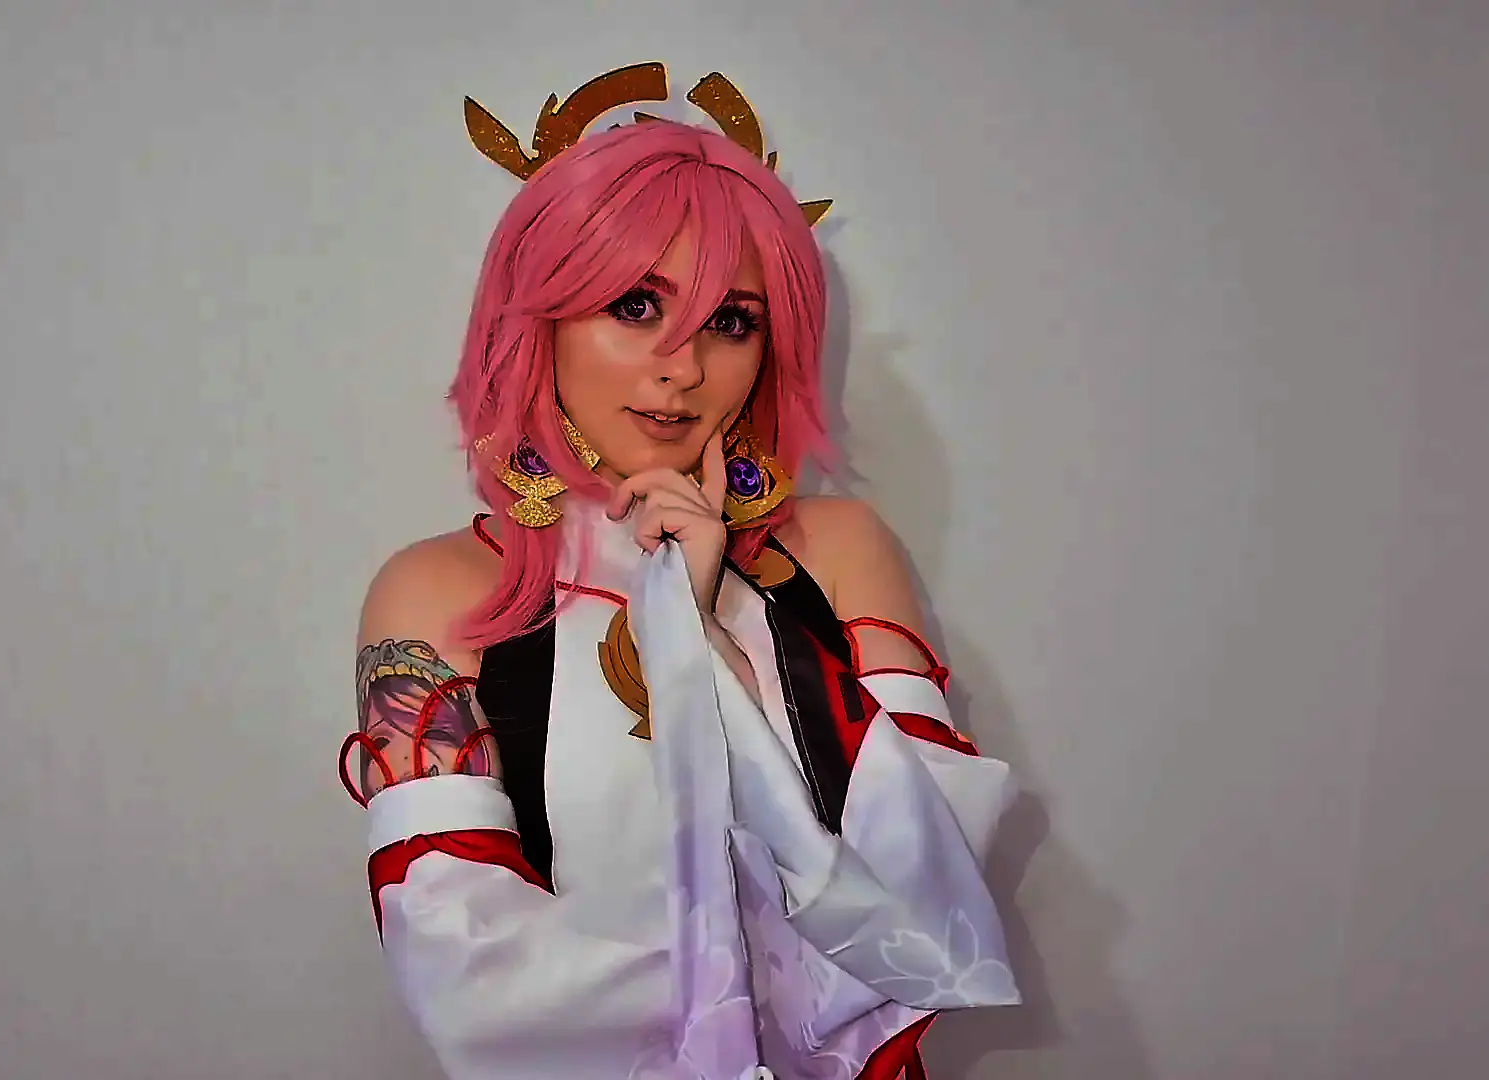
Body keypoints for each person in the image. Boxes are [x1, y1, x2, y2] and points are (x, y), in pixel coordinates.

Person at [340, 64, 1021, 1080]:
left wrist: (710, 639)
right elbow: (463, 973)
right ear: (537, 320)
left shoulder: (837, 551)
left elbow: (929, 904)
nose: (684, 366)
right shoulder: (436, 592)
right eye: (634, 305)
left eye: (731, 321)